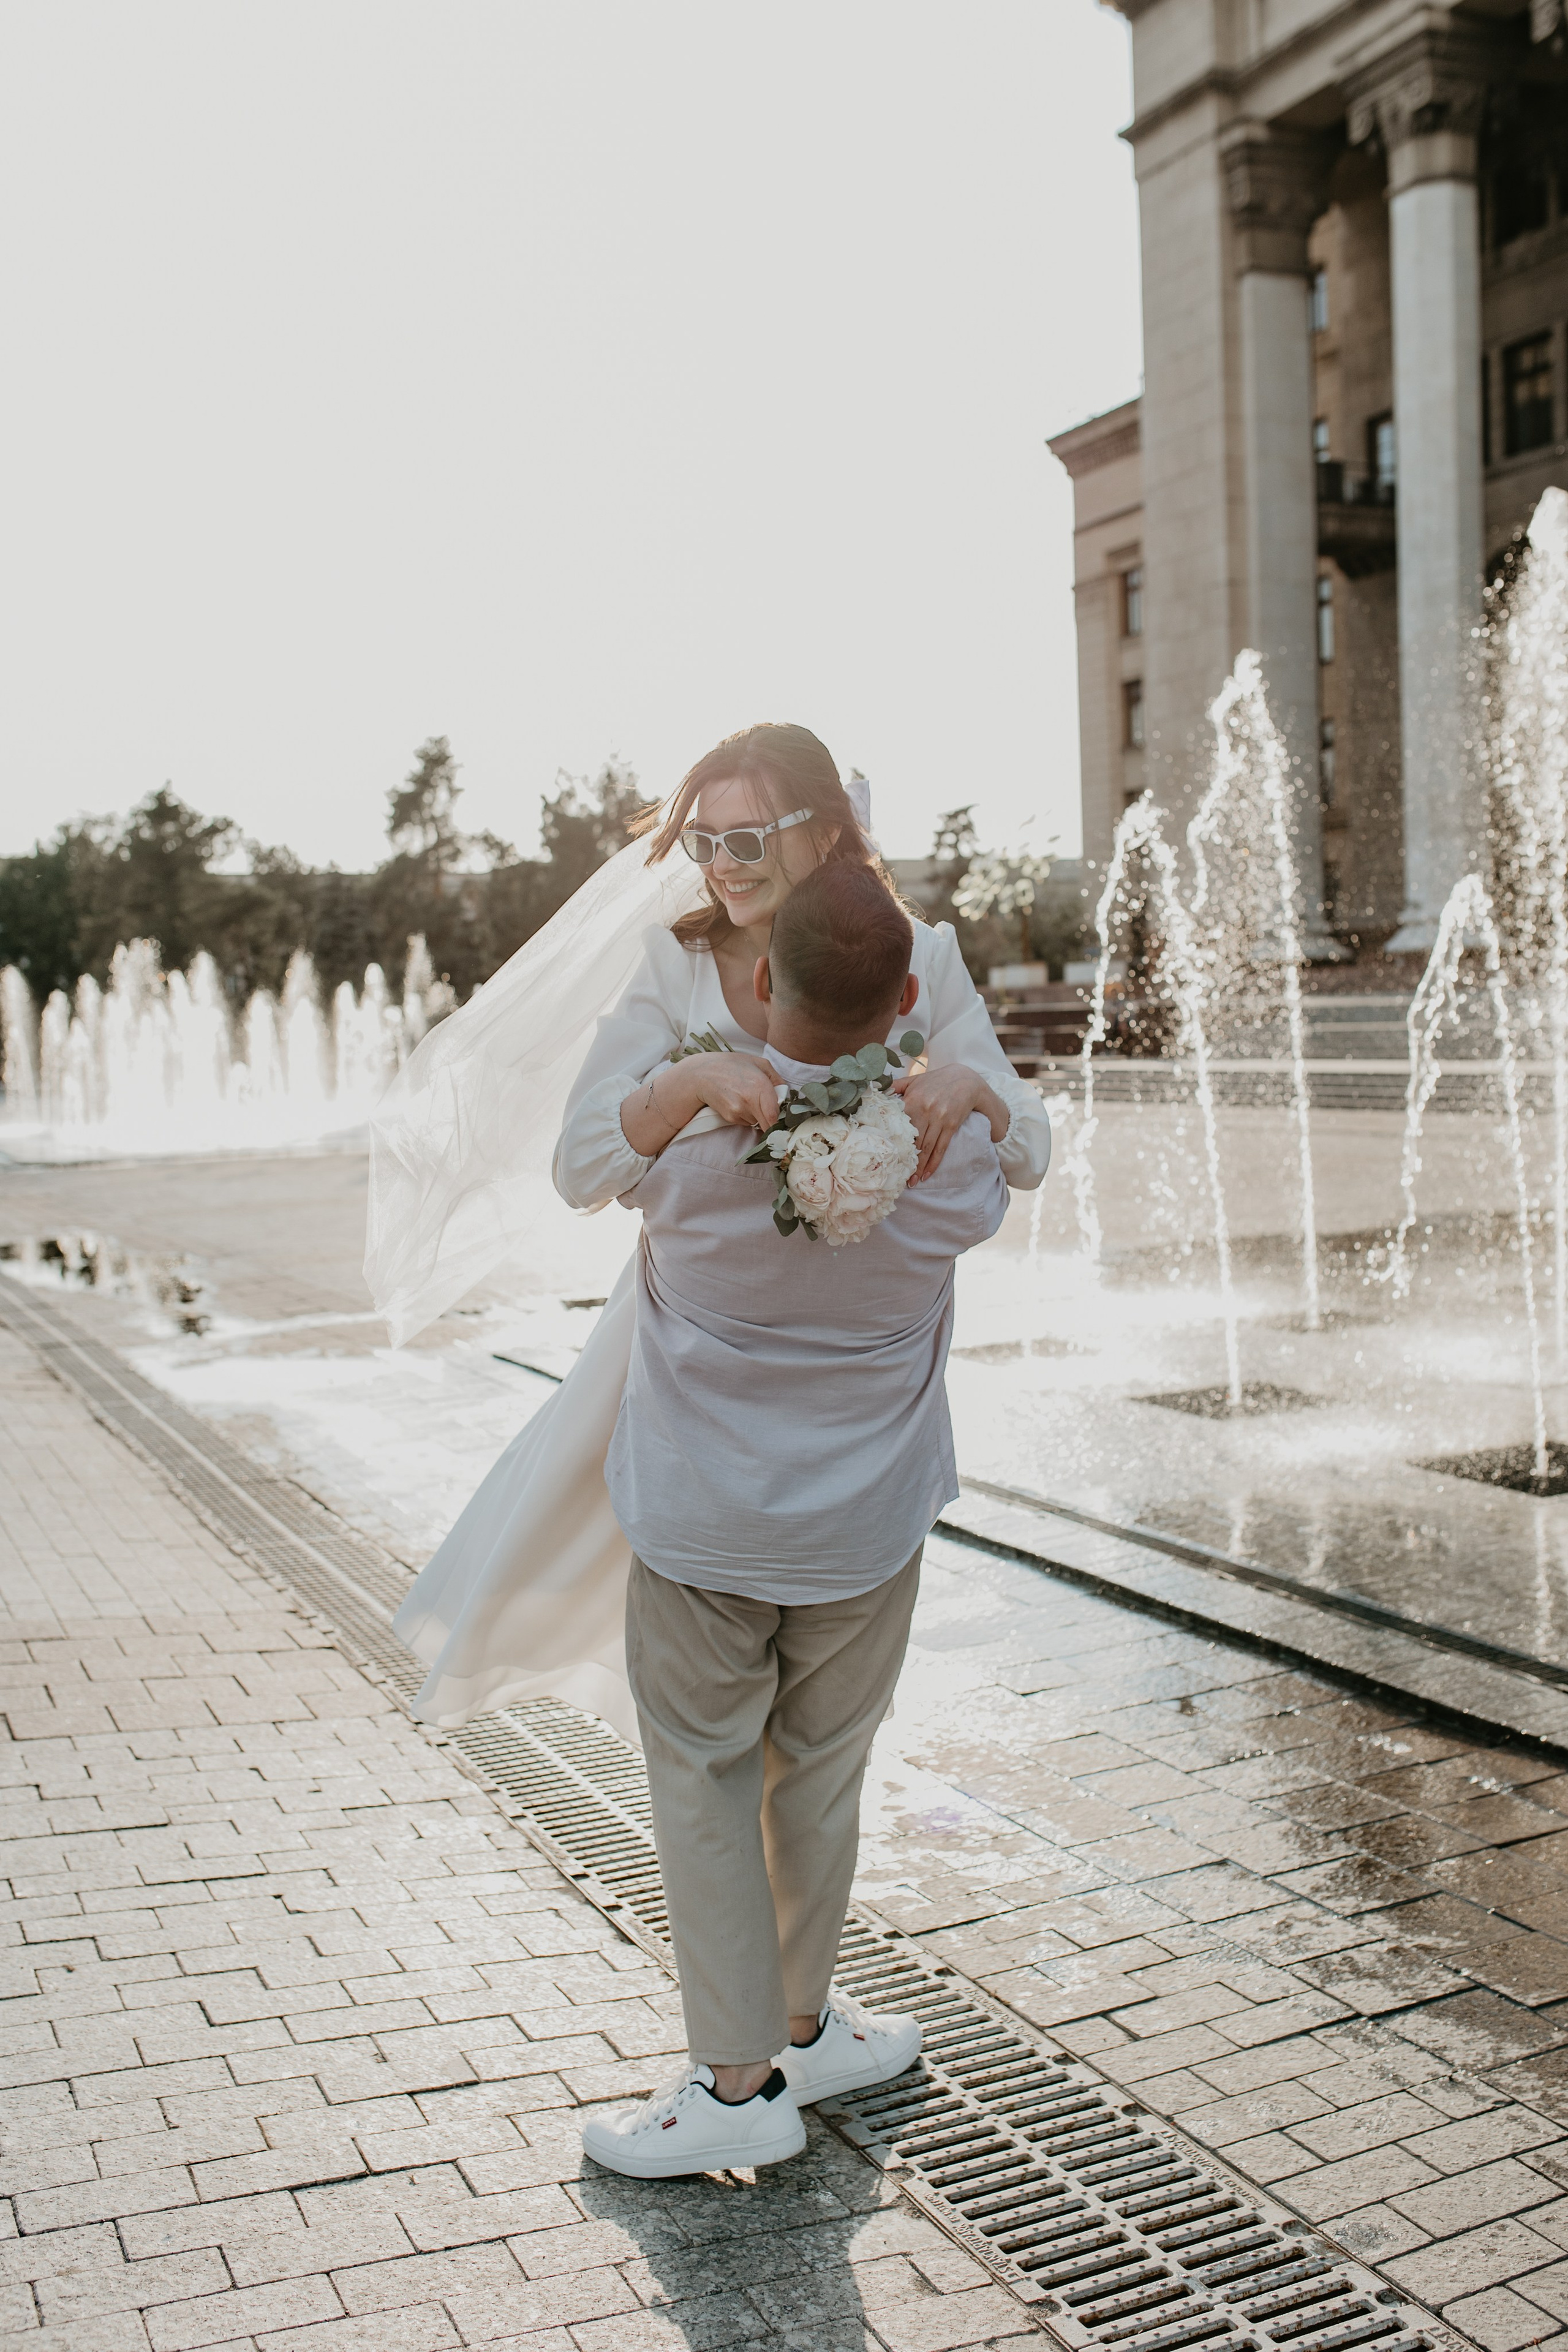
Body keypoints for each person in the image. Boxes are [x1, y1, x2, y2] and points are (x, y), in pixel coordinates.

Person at [382, 722, 1049, 1736]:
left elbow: (1030, 1153)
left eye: (745, 838)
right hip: (705, 1352)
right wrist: (685, 1080)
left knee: (815, 1721)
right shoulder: (676, 969)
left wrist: (974, 1086)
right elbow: (582, 1168)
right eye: (702, 842)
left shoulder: (922, 958)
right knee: (694, 1676)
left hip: (853, 1373)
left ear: (826, 833)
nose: (719, 866)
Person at [579, 861, 1009, 2178]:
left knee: (705, 1781)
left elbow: (588, 1164)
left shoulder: (694, 1148)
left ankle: (734, 2086)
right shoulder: (950, 1159)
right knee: (820, 1777)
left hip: (705, 1523)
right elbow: (1007, 1174)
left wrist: (674, 1090)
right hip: (865, 1526)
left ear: (760, 982)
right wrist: (974, 1087)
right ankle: (808, 2028)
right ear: (907, 1008)